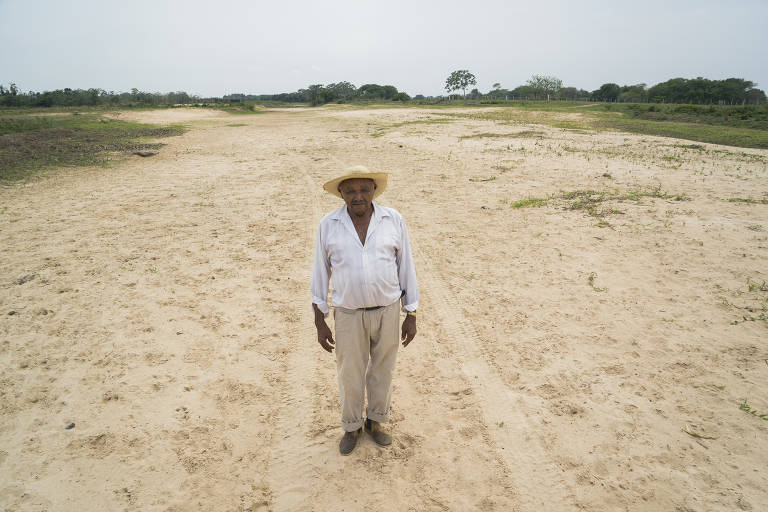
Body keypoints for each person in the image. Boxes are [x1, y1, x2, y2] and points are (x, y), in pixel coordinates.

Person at [311, 165, 419, 455]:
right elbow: (320, 272)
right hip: (348, 313)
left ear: (374, 191)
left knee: (382, 370)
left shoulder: (392, 220)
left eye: (364, 189)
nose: (358, 196)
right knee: (350, 372)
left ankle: (376, 421)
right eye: (351, 190)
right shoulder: (328, 224)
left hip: (387, 309)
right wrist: (319, 319)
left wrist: (412, 313)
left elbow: (405, 265)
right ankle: (351, 426)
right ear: (342, 194)